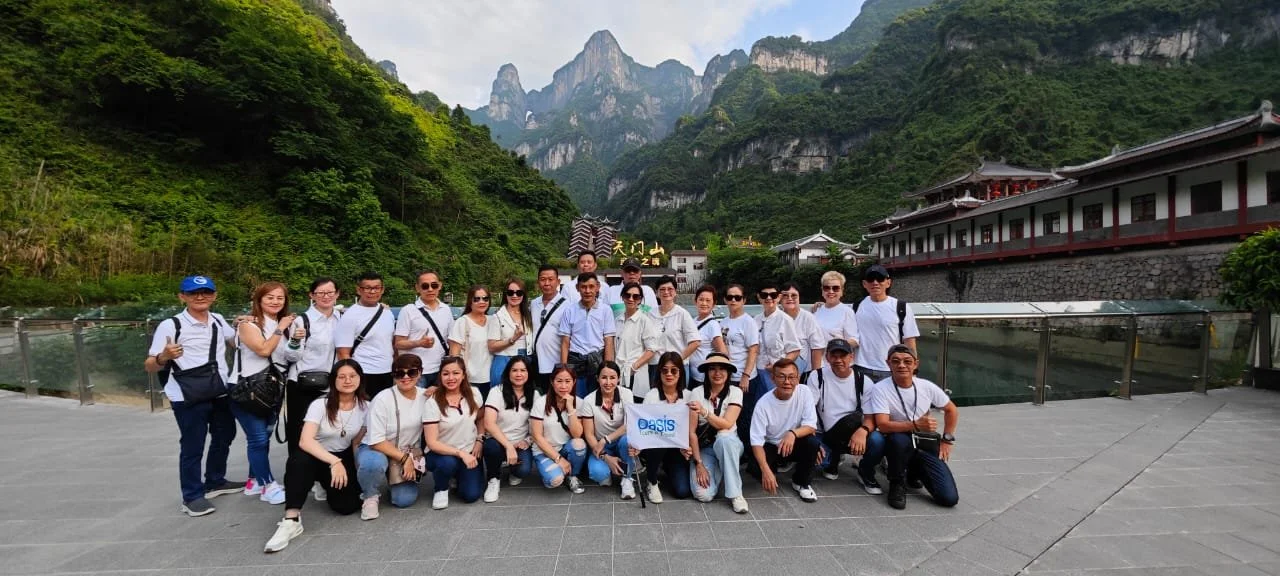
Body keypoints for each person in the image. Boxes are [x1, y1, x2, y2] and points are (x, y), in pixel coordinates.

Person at [144, 275, 241, 517]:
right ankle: (192, 496)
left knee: (225, 434)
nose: (200, 297)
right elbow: (149, 365)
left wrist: (243, 324)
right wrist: (164, 356)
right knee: (192, 445)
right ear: (182, 296)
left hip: (218, 388)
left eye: (206, 292)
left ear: (214, 296)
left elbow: (235, 342)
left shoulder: (218, 320)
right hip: (187, 393)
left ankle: (215, 481)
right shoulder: (171, 325)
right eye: (194, 293)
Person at [264, 359, 368, 552]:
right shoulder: (320, 404)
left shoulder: (365, 407)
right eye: (342, 376)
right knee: (299, 461)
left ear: (360, 379)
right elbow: (305, 441)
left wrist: (357, 476)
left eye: (352, 376)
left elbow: (356, 443)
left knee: (346, 507)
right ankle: (291, 519)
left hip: (342, 456)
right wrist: (333, 461)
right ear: (333, 381)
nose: (347, 381)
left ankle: (324, 485)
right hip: (316, 455)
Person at [866, 344, 959, 510]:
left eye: (907, 361)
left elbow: (951, 409)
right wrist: (916, 424)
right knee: (898, 440)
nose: (901, 365)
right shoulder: (880, 388)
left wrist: (947, 439)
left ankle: (914, 471)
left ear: (916, 364)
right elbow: (883, 425)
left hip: (923, 442)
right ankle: (897, 482)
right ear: (888, 364)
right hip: (897, 438)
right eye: (896, 361)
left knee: (949, 498)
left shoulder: (926, 386)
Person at [232, 281, 297, 505]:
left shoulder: (282, 324)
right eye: (269, 297)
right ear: (259, 300)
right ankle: (267, 485)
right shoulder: (248, 325)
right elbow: (263, 349)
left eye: (280, 298)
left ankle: (253, 481)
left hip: (271, 387)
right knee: (258, 439)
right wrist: (281, 328)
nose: (275, 301)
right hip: (248, 388)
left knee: (265, 436)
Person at [280, 277, 342, 503]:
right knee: (300, 435)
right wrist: (296, 341)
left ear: (337, 294)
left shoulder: (341, 318)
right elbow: (291, 356)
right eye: (320, 293)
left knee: (327, 433)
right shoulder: (302, 320)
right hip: (302, 385)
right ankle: (300, 482)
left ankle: (323, 478)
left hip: (330, 384)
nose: (326, 296)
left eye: (330, 292)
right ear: (311, 295)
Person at [806, 339, 883, 494]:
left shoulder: (863, 381)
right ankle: (832, 460)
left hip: (853, 431)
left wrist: (863, 431)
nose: (838, 360)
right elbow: (808, 411)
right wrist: (812, 441)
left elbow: (870, 417)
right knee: (815, 462)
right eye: (834, 356)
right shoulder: (817, 376)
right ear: (827, 357)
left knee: (877, 441)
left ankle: (865, 471)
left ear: (851, 357)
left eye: (843, 356)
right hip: (825, 433)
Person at [356, 354, 427, 519]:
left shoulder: (426, 396)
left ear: (420, 373)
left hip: (406, 450)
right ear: (393, 376)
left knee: (404, 500)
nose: (406, 377)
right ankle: (370, 495)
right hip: (377, 449)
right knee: (373, 463)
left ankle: (390, 479)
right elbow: (376, 441)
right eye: (399, 373)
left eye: (411, 372)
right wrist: (405, 459)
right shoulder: (382, 399)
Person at [748, 359, 822, 503]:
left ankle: (802, 482)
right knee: (757, 469)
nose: (787, 381)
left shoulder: (805, 392)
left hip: (793, 442)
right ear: (773, 378)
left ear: (798, 378)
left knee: (813, 443)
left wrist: (792, 433)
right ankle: (774, 467)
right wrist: (766, 470)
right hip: (772, 445)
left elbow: (811, 425)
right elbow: (756, 441)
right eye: (781, 376)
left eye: (791, 377)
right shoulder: (763, 404)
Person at [687, 352, 748, 514]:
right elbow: (691, 432)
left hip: (730, 444)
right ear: (706, 372)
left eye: (722, 369)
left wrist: (705, 412)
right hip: (705, 448)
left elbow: (727, 424)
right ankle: (723, 469)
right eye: (712, 369)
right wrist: (698, 463)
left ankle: (736, 494)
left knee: (724, 438)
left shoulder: (735, 392)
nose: (717, 373)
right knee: (703, 494)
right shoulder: (697, 392)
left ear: (728, 373)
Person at [423, 356, 486, 509]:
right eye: (446, 374)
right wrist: (460, 454)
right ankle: (441, 488)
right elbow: (432, 442)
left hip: (469, 450)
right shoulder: (433, 402)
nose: (451, 378)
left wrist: (479, 439)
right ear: (440, 376)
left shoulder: (475, 393)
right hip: (441, 453)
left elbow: (481, 418)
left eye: (456, 373)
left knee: (471, 495)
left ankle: (457, 476)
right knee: (448, 463)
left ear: (464, 375)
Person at [634, 352, 694, 503]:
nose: (669, 374)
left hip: (678, 450)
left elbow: (692, 428)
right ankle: (652, 480)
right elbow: (644, 429)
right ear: (659, 372)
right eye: (664, 370)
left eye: (674, 370)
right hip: (655, 447)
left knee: (682, 491)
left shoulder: (689, 396)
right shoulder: (651, 396)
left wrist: (689, 447)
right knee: (659, 440)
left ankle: (668, 468)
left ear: (681, 372)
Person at [854, 265, 920, 385]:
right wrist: (821, 304)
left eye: (880, 279)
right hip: (860, 367)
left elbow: (909, 340)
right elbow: (838, 311)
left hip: (891, 368)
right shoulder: (856, 306)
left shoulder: (901, 307)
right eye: (871, 279)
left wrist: (913, 370)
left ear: (888, 283)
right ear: (864, 284)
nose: (875, 283)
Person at [482, 356, 535, 502]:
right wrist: (508, 446)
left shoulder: (534, 395)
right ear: (508, 373)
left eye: (523, 370)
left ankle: (512, 469)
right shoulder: (496, 392)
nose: (519, 374)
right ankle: (493, 479)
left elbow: (539, 427)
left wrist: (528, 440)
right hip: (498, 441)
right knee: (491, 447)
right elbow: (489, 423)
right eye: (514, 370)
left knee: (523, 471)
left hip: (520, 443)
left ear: (529, 373)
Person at [580, 361, 636, 499]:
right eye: (604, 377)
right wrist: (606, 457)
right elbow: (589, 434)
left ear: (618, 379)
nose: (608, 382)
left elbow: (629, 425)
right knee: (599, 475)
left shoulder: (627, 394)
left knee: (627, 440)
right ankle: (611, 468)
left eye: (612, 378)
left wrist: (606, 439)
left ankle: (627, 478)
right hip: (600, 446)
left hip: (620, 440)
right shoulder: (588, 400)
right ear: (597, 378)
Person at [336, 272, 396, 397]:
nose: (372, 292)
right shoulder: (350, 316)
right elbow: (343, 352)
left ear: (382, 289)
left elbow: (391, 344)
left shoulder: (387, 313)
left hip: (388, 372)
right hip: (363, 374)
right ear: (359, 290)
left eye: (376, 288)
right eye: (367, 288)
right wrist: (351, 378)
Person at [530, 365, 588, 493]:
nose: (563, 386)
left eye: (567, 381)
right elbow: (537, 436)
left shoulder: (579, 403)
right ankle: (557, 472)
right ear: (552, 381)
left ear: (574, 382)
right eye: (559, 381)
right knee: (555, 480)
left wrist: (570, 408)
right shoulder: (541, 402)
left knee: (579, 444)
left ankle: (573, 475)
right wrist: (558, 459)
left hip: (566, 448)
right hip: (544, 451)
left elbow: (577, 434)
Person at [558, 273, 616, 398]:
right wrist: (564, 369)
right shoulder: (569, 310)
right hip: (575, 362)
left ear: (597, 287)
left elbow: (609, 341)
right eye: (583, 287)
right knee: (576, 401)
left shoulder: (606, 310)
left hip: (597, 361)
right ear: (577, 288)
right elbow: (565, 342)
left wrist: (608, 370)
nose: (587, 291)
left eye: (591, 286)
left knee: (597, 401)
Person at [394, 270, 452, 389]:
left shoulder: (446, 309)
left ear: (439, 286)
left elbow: (450, 340)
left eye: (434, 285)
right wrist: (418, 343)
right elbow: (398, 343)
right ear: (417, 288)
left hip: (440, 369)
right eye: (425, 286)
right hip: (416, 372)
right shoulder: (408, 311)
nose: (430, 289)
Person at [720, 284, 760, 448]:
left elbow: (753, 350)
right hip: (728, 377)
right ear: (725, 300)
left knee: (745, 416)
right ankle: (735, 448)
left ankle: (749, 452)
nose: (733, 300)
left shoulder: (748, 322)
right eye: (730, 297)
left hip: (744, 378)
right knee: (729, 415)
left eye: (737, 297)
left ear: (744, 300)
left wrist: (746, 376)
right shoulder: (723, 321)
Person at [614, 281, 659, 401]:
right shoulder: (617, 320)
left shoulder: (644, 321)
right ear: (622, 297)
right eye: (627, 295)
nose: (631, 299)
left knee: (635, 406)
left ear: (640, 300)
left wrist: (634, 367)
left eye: (635, 296)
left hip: (636, 372)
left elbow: (652, 349)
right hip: (618, 372)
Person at [652, 276, 700, 385]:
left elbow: (695, 342)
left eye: (670, 289)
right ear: (657, 293)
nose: (666, 292)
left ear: (675, 292)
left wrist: (676, 360)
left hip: (677, 367)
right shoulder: (650, 314)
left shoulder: (682, 314)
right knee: (657, 399)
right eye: (662, 289)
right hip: (656, 366)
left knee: (679, 399)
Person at [449, 285, 494, 397]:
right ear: (470, 301)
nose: (481, 302)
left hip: (492, 378)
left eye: (485, 298)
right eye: (476, 299)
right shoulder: (462, 322)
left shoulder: (493, 320)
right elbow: (454, 355)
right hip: (470, 380)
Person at [488, 277, 533, 386]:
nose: (514, 296)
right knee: (501, 396)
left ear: (523, 295)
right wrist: (513, 339)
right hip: (504, 361)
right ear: (505, 294)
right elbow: (491, 346)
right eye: (510, 292)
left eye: (519, 293)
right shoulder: (497, 316)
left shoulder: (528, 315)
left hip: (525, 361)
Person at [531, 264, 569, 393]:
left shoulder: (568, 306)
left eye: (551, 279)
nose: (547, 283)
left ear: (558, 281)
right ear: (538, 282)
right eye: (543, 279)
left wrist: (564, 367)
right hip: (536, 364)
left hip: (556, 365)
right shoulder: (533, 303)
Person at [780, 281, 827, 379]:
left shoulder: (808, 318)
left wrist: (815, 376)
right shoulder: (777, 317)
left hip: (806, 372)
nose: (790, 299)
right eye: (785, 295)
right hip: (782, 372)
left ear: (799, 297)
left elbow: (817, 348)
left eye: (794, 295)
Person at [687, 285, 727, 388]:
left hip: (704, 378)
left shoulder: (712, 325)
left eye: (708, 300)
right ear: (695, 301)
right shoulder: (694, 321)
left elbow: (722, 352)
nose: (704, 303)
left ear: (714, 304)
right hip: (693, 375)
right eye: (701, 299)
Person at [812, 271, 860, 351]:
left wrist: (838, 344)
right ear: (822, 290)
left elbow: (855, 340)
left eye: (835, 288)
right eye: (826, 288)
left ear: (842, 291)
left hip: (835, 361)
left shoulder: (847, 312)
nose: (831, 292)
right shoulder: (817, 310)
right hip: (817, 361)